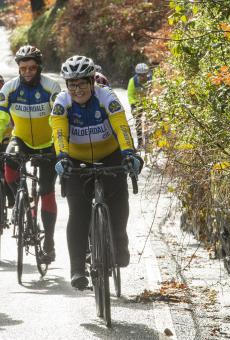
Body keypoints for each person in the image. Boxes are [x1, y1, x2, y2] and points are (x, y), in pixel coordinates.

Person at [50, 55, 143, 289]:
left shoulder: (106, 96)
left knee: (119, 200)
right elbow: (59, 132)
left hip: (109, 154)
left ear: (92, 82)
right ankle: (77, 269)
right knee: (78, 213)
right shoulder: (62, 102)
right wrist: (61, 156)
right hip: (76, 159)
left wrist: (129, 152)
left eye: (81, 83)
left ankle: (119, 241)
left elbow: (121, 126)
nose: (77, 89)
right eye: (72, 84)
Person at [0, 45, 61, 264]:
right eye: (23, 68)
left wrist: (59, 144)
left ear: (39, 67)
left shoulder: (51, 87)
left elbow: (58, 118)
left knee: (47, 192)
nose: (27, 72)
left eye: (31, 68)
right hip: (21, 140)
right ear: (18, 68)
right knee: (9, 170)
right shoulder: (9, 89)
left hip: (47, 143)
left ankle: (48, 240)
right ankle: (24, 202)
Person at [127, 62, 152, 147]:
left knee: (149, 121)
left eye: (144, 74)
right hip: (137, 104)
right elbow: (130, 95)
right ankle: (140, 143)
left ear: (147, 74)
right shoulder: (132, 81)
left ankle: (149, 142)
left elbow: (155, 91)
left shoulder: (151, 80)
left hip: (148, 103)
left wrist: (151, 102)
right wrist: (134, 105)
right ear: (137, 74)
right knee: (138, 122)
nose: (142, 77)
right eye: (140, 75)